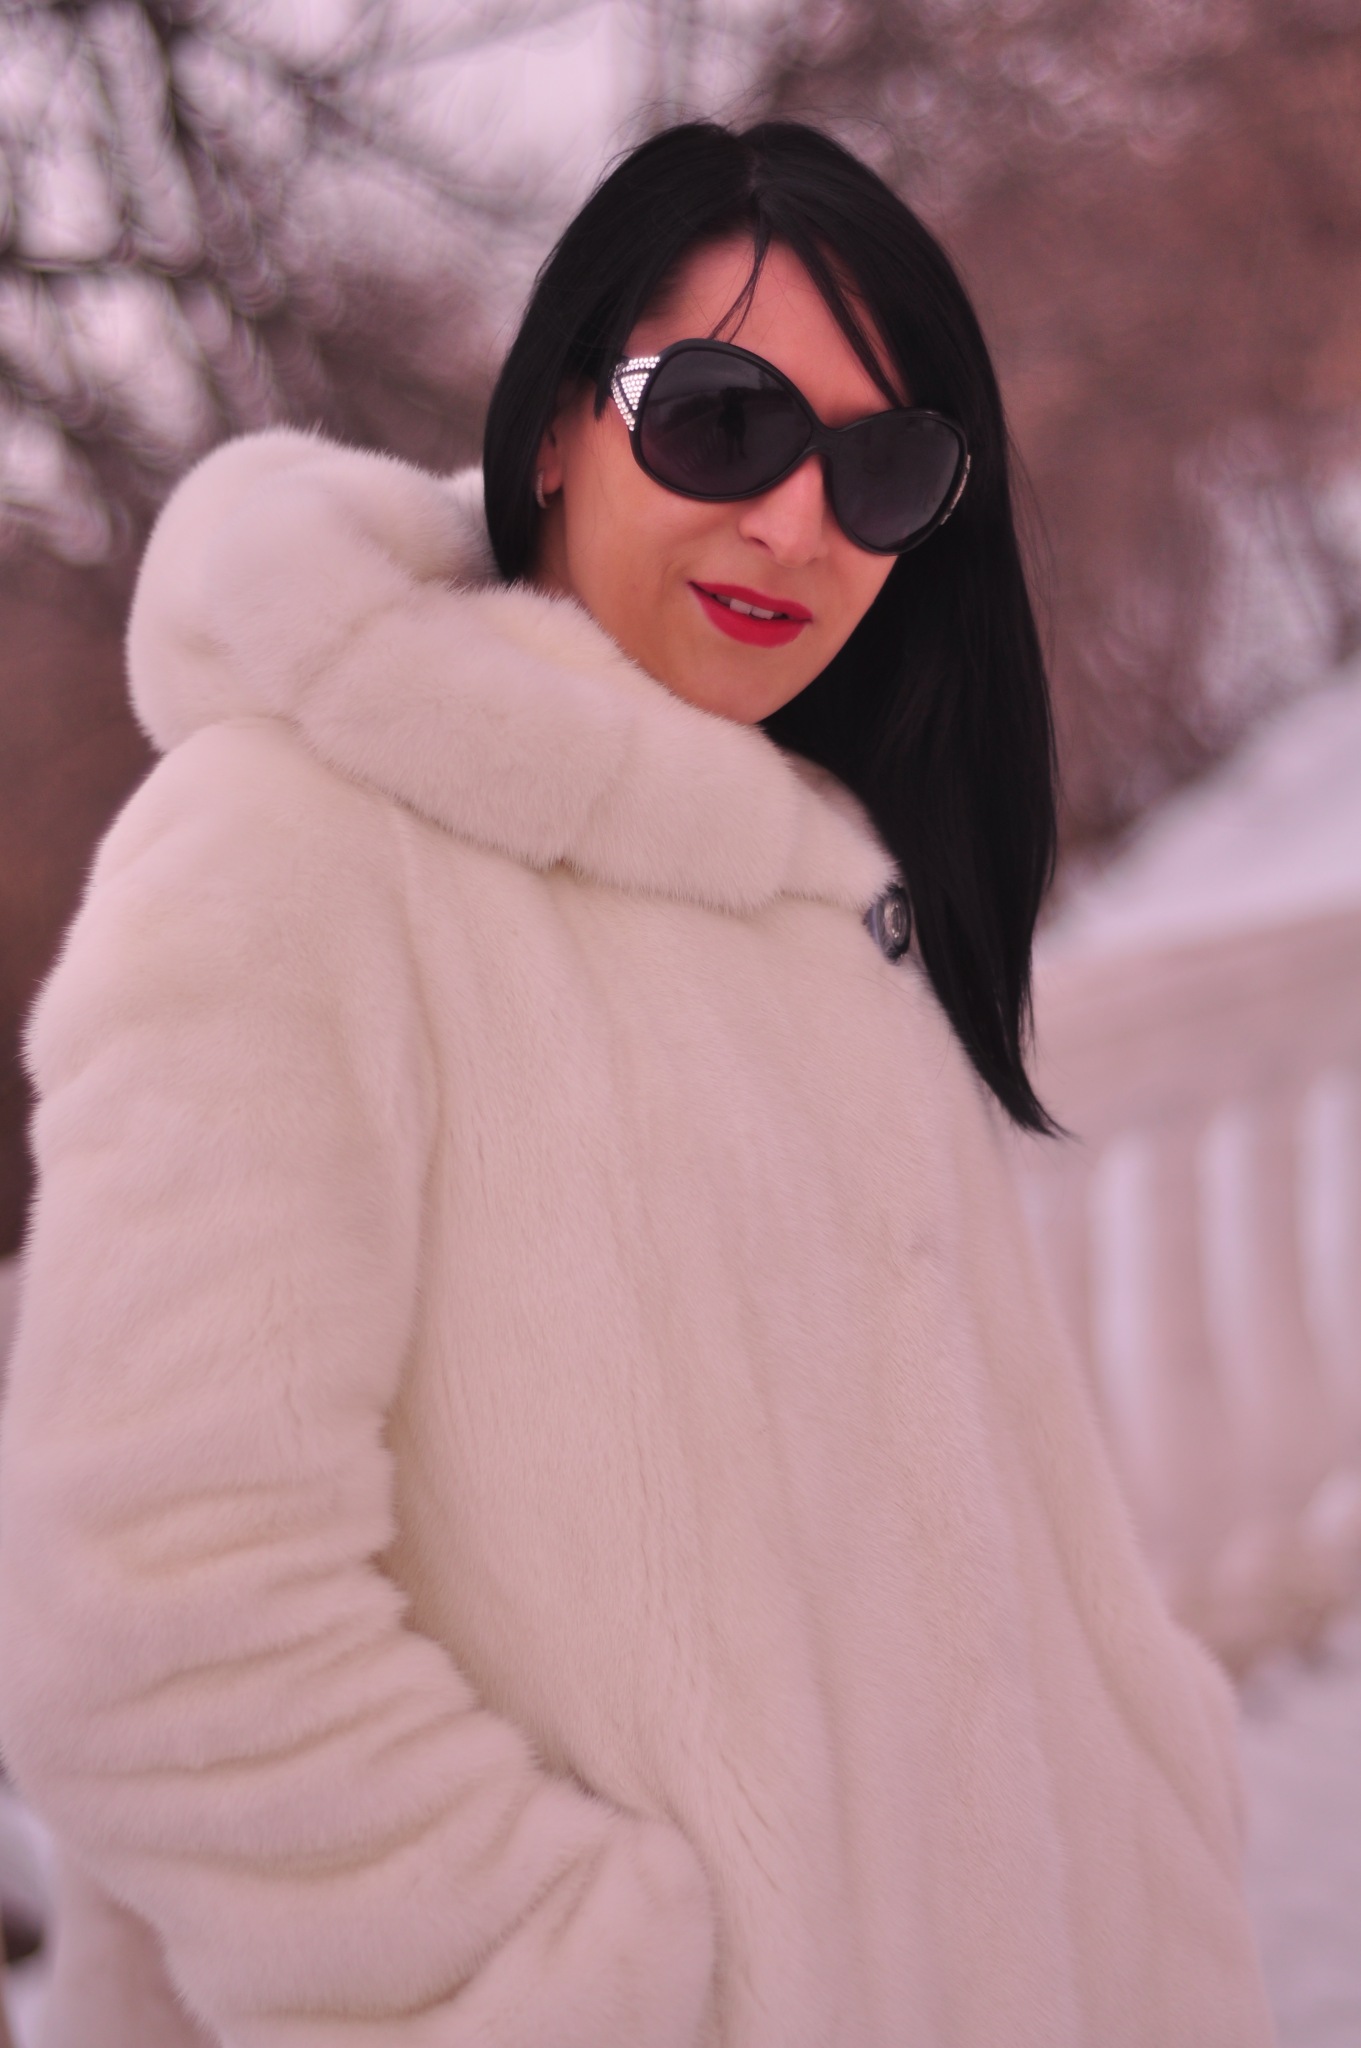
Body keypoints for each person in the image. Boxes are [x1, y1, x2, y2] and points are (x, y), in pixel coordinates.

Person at [0, 121, 1273, 2047]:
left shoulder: (811, 879)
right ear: (553, 427)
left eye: (882, 470)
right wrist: (560, 1979)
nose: (798, 526)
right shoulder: (294, 853)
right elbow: (151, 1614)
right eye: (722, 423)